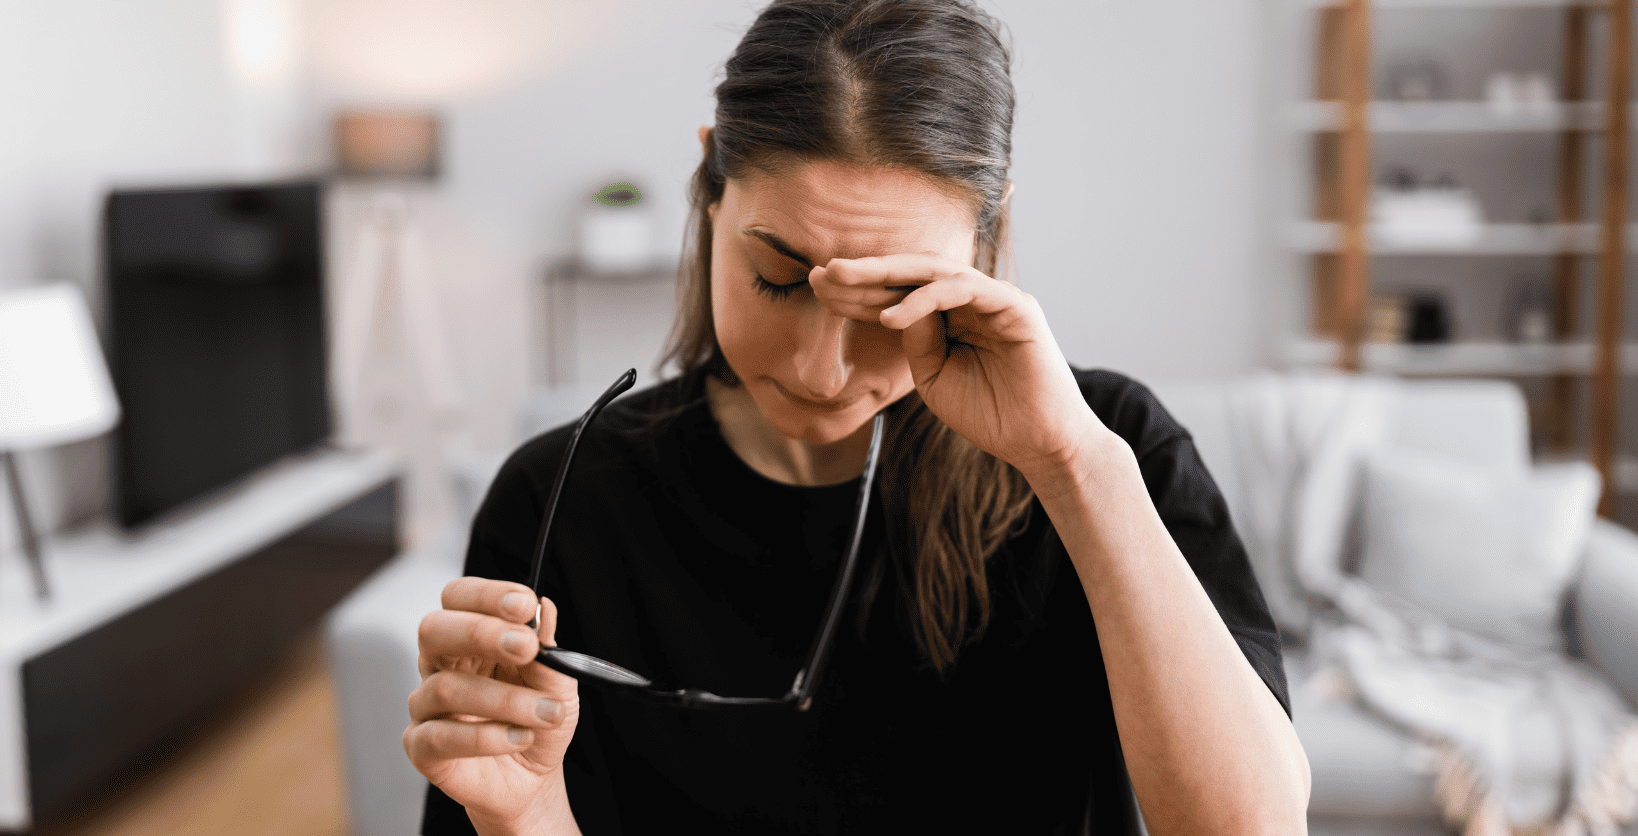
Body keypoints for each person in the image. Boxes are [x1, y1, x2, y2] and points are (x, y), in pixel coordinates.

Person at [405, 1, 1311, 833]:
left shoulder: (1106, 449)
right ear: (710, 186)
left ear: (982, 250)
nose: (820, 369)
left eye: (893, 299)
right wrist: (524, 816)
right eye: (776, 277)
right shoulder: (561, 500)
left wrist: (1074, 468)